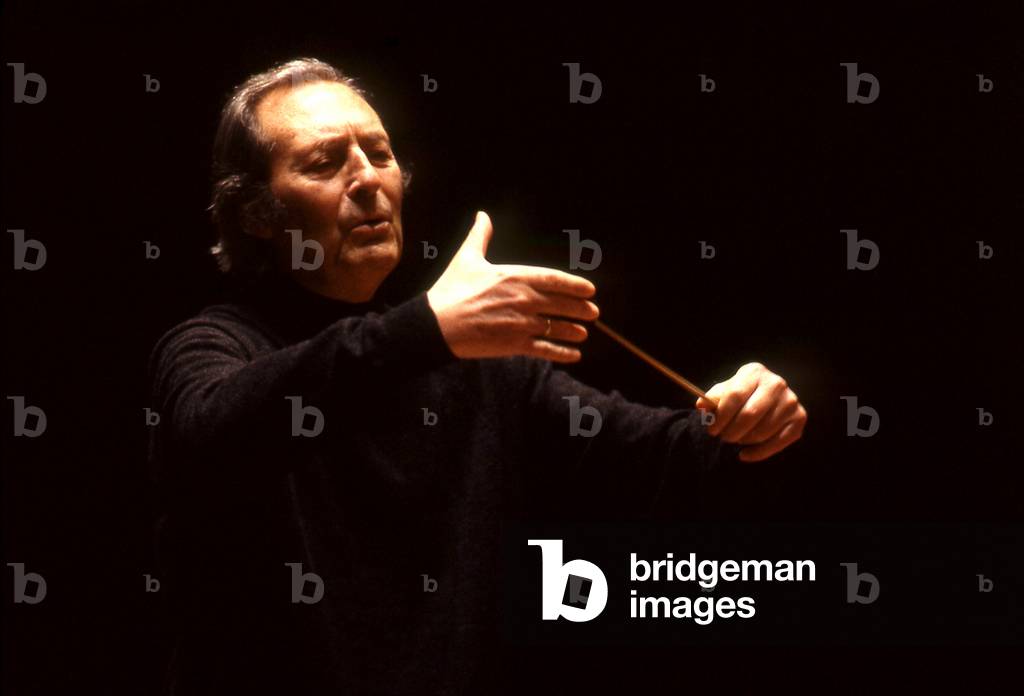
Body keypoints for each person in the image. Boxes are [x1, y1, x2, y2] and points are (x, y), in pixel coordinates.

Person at [147, 58, 807, 695]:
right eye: (324, 163)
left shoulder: (473, 362)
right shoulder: (212, 344)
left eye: (379, 155)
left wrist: (743, 420)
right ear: (257, 214)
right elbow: (213, 429)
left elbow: (665, 460)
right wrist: (426, 328)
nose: (368, 178)